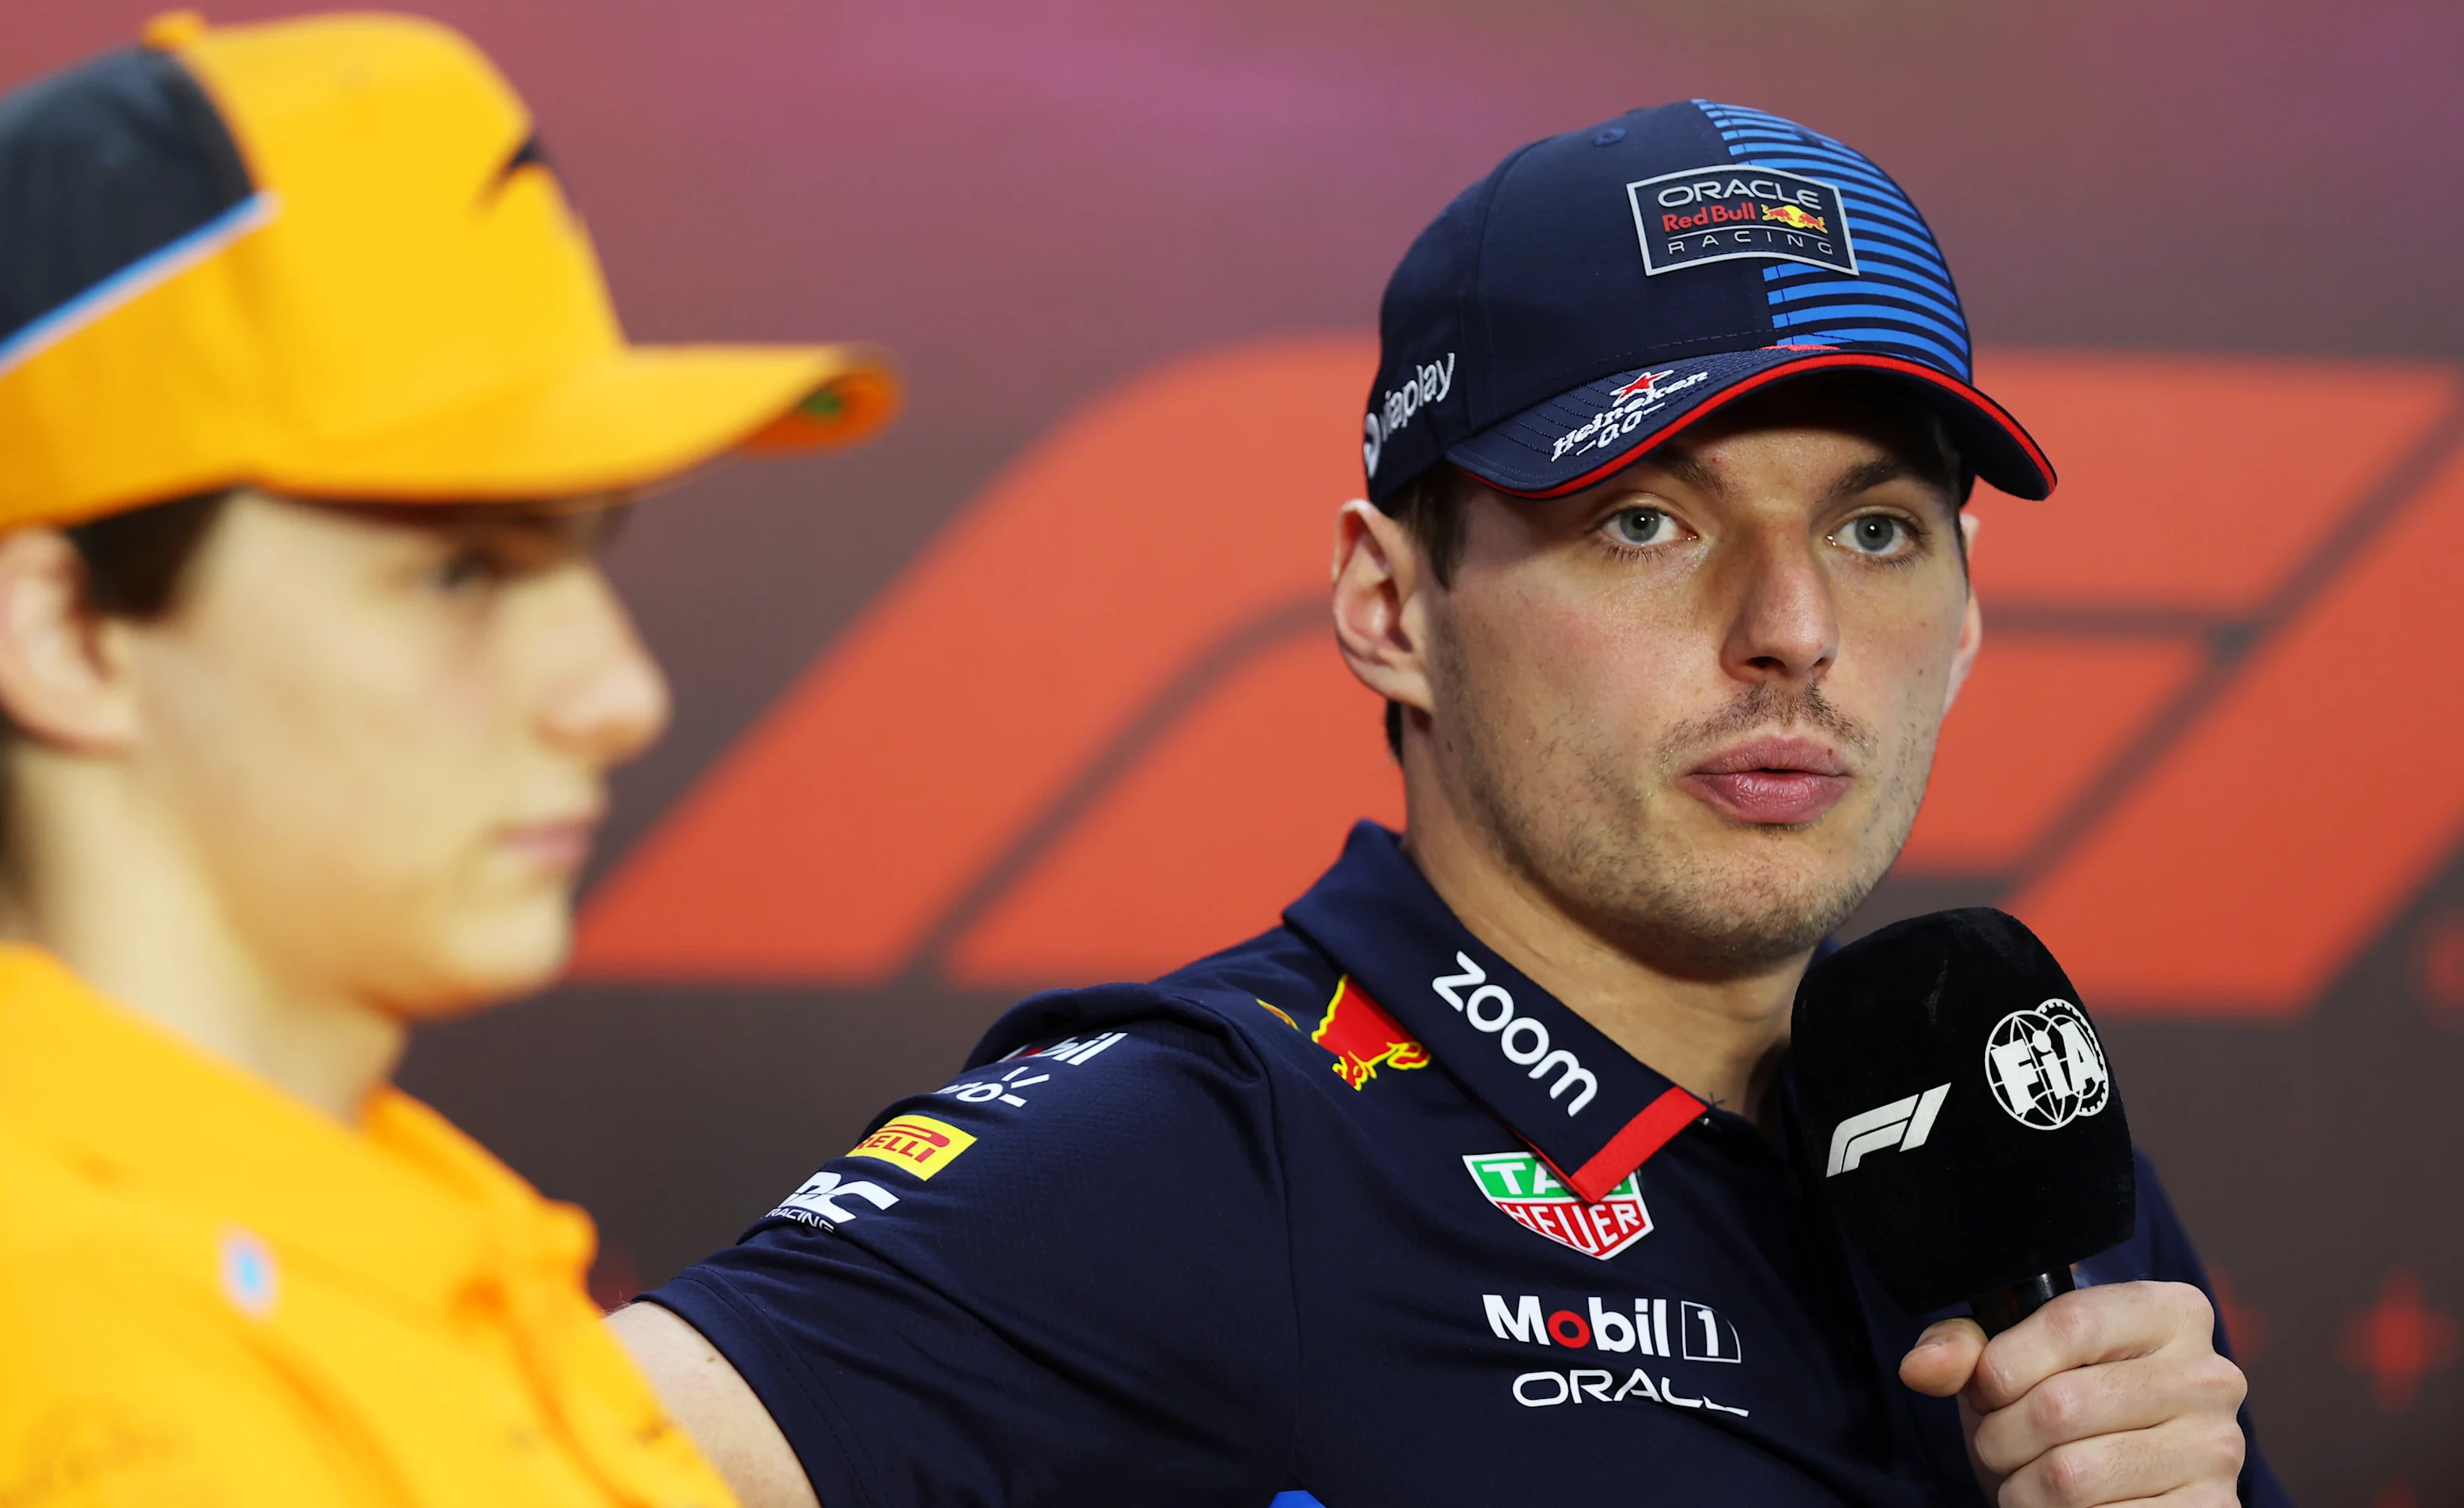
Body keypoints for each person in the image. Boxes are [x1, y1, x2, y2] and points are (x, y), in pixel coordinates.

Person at [609, 102, 2286, 1506]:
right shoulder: (1214, 1144)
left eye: (1874, 531)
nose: (1794, 629)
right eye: (1644, 522)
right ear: (1390, 605)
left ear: (1970, 612)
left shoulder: (2024, 1158)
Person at [0, 12, 892, 1506]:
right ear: (67, 635)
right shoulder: (84, 1407)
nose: (621, 695)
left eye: (582, 553)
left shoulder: (355, 1257)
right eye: (459, 571)